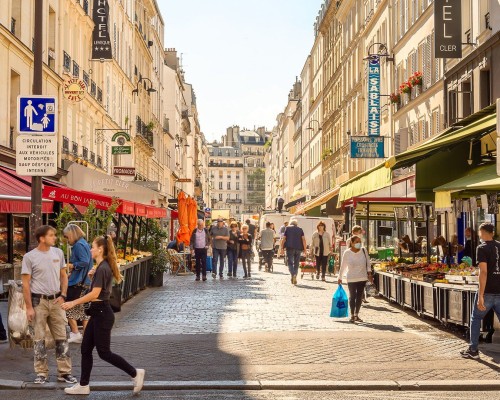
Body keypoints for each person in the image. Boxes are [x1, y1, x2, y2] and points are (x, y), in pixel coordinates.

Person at [62, 235, 145, 395]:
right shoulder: (101, 267)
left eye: (93, 247)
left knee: (104, 352)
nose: (90, 249)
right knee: (85, 349)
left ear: (100, 249)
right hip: (98, 313)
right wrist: (92, 277)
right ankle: (83, 385)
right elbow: (99, 291)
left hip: (102, 314)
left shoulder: (103, 268)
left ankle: (135, 373)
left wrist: (73, 303)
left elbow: (95, 294)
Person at [21, 225, 77, 384]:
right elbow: (26, 284)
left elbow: (64, 276)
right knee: (38, 338)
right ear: (42, 238)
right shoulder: (29, 257)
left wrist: (64, 295)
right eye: (51, 235)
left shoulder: (58, 253)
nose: (55, 238)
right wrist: (29, 307)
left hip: (56, 300)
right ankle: (41, 373)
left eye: (54, 235)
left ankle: (64, 372)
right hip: (38, 301)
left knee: (62, 337)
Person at [461, 223, 500, 360]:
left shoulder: (482, 248)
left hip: (488, 291)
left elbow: (483, 272)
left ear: (482, 233)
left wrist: (481, 296)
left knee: (476, 318)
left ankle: (473, 350)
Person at [63, 224, 92, 344]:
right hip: (84, 280)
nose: (66, 239)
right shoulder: (83, 243)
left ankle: (75, 333)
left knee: (68, 306)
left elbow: (84, 262)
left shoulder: (78, 245)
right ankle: (87, 334)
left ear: (71, 234)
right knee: (81, 308)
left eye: (66, 236)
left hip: (78, 281)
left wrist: (72, 265)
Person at [338, 235, 373, 323]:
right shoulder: (347, 253)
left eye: (360, 242)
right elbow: (343, 266)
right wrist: (340, 277)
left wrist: (369, 273)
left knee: (359, 296)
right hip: (351, 278)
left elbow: (368, 263)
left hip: (362, 277)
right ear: (352, 243)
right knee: (352, 296)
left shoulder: (364, 250)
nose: (359, 243)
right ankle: (352, 314)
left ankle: (356, 314)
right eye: (357, 242)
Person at [280, 219, 307, 285]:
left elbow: (284, 239)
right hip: (298, 248)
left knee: (290, 263)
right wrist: (305, 249)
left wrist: (281, 248)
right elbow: (303, 239)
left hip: (290, 248)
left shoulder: (287, 229)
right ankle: (294, 275)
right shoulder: (300, 229)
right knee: (296, 263)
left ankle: (293, 274)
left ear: (290, 224)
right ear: (296, 224)